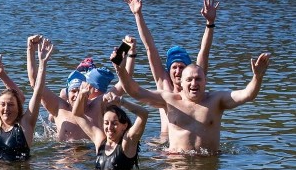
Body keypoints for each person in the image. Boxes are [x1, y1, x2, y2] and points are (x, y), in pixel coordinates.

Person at [115, 49, 271, 154]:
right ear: (181, 83)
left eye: (198, 79)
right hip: (176, 163)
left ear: (205, 81)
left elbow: (248, 94)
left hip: (208, 161)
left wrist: (257, 77)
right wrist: (120, 70)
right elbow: (134, 91)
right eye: (189, 79)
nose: (194, 83)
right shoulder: (169, 100)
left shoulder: (217, 100)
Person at [125, 0, 217, 137]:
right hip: (165, 143)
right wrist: (138, 14)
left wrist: (210, 24)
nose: (178, 71)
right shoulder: (164, 85)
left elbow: (204, 51)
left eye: (182, 67)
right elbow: (150, 47)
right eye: (174, 67)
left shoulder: (195, 85)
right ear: (168, 70)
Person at [30, 35, 134, 142]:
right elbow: (35, 83)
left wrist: (127, 48)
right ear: (68, 93)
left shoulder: (97, 105)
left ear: (88, 92)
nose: (76, 95)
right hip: (63, 154)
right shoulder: (59, 108)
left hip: (90, 154)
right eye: (73, 91)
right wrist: (30, 50)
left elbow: (124, 84)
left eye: (80, 91)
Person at [0, 37, 53, 161]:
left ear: (18, 108)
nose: (6, 108)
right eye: (3, 104)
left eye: (11, 104)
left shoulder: (25, 124)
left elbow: (38, 92)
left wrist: (43, 63)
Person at [70, 78, 148, 170]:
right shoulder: (100, 141)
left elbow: (144, 114)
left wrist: (121, 101)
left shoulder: (127, 142)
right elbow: (77, 115)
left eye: (114, 123)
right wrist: (82, 94)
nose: (109, 127)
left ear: (124, 125)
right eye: (106, 123)